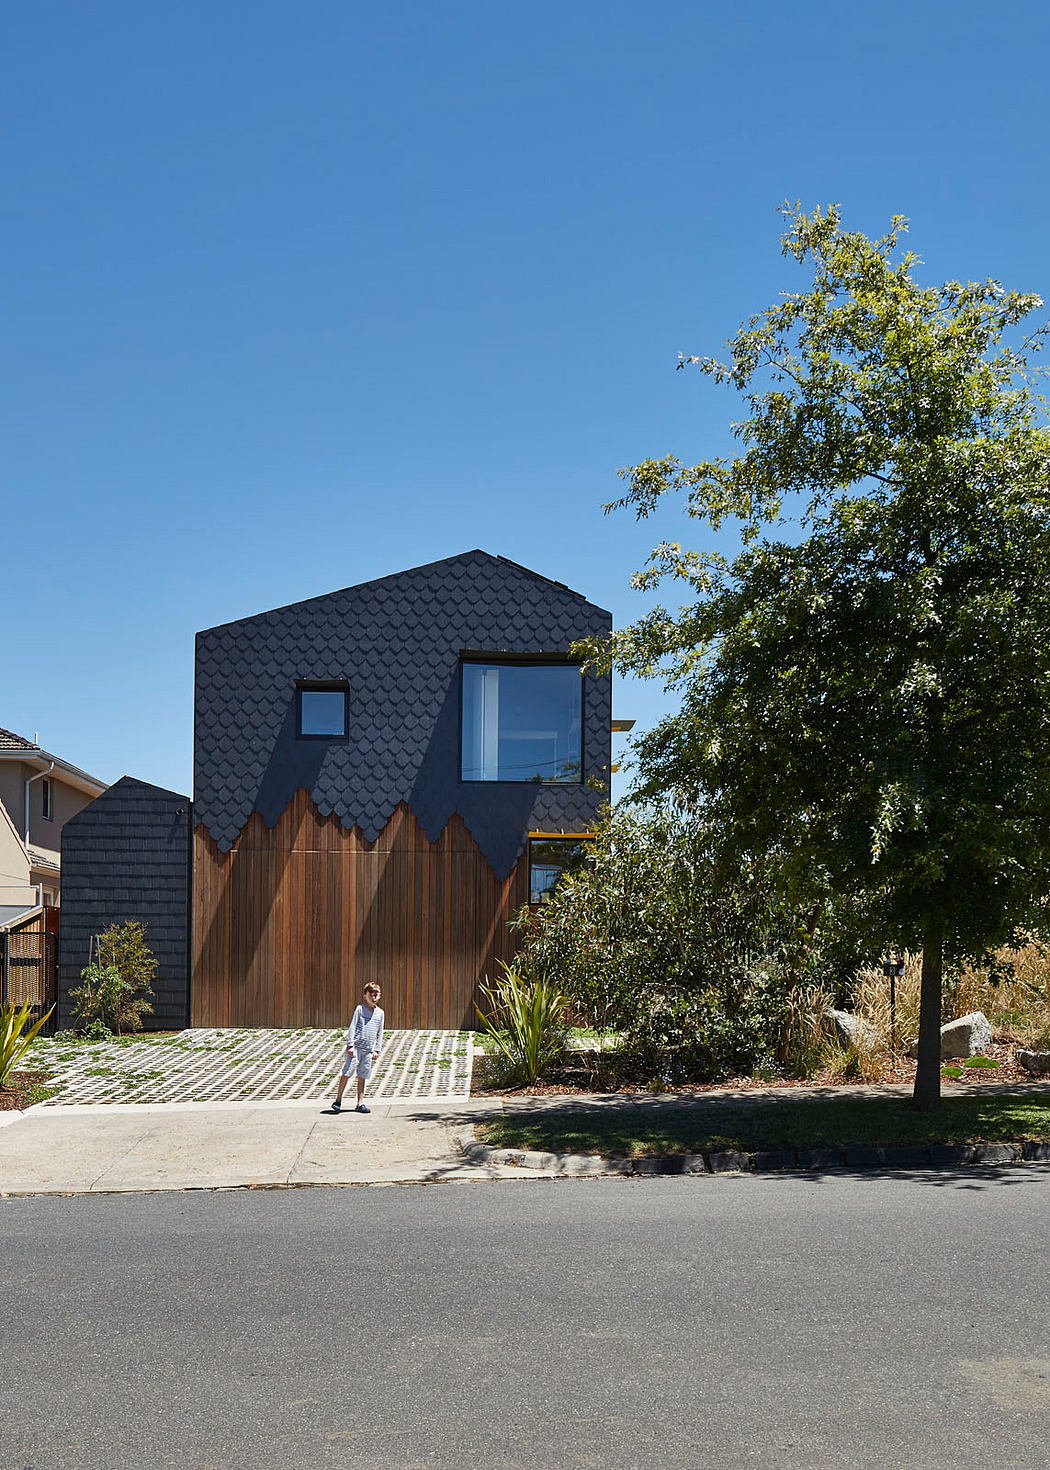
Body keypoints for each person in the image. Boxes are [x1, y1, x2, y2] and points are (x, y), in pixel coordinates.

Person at [332, 983, 384, 1113]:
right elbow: (352, 1027)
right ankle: (338, 1100)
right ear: (365, 996)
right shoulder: (360, 1009)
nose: (373, 997)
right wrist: (350, 1045)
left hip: (368, 1050)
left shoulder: (380, 1013)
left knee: (362, 1075)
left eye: (376, 995)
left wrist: (377, 1050)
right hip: (355, 1048)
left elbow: (380, 1033)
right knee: (347, 1072)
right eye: (370, 995)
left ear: (379, 996)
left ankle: (360, 1103)